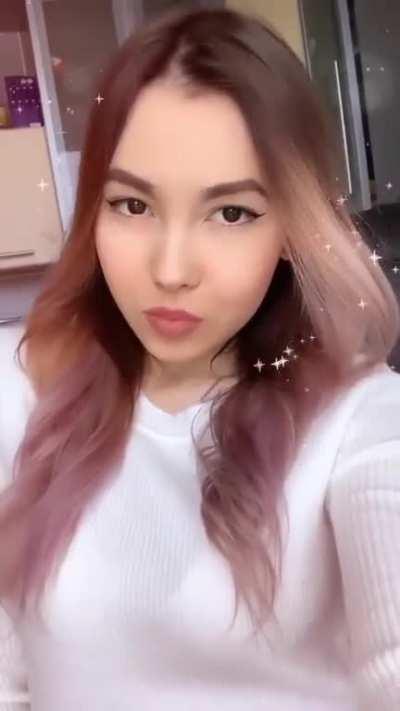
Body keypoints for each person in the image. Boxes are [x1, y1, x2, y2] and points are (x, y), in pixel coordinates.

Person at [0, 6, 399, 710]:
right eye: (132, 205)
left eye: (231, 213)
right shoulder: (18, 387)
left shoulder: (359, 421)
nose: (171, 269)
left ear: (292, 228)